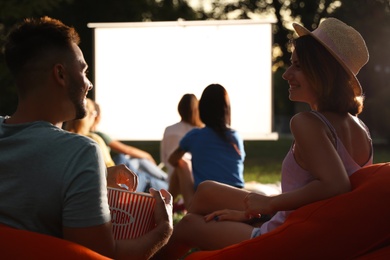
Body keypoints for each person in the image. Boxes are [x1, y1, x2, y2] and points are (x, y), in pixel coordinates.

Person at [153, 17, 373, 259]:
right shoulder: (360, 128)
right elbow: (322, 196)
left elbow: (336, 186)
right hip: (309, 228)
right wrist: (259, 213)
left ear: (322, 72)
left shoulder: (308, 122)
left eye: (297, 66)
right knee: (205, 191)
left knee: (189, 225)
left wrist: (270, 205)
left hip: (289, 239)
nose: (286, 74)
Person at [0, 16, 173, 259]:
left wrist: (95, 179)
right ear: (60, 75)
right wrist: (163, 232)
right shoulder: (81, 152)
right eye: (83, 70)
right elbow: (98, 256)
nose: (89, 84)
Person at [168, 84, 246, 208]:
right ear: (227, 110)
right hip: (237, 202)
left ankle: (167, 205)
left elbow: (172, 160)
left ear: (201, 109)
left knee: (182, 163)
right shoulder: (235, 137)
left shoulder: (194, 136)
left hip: (206, 204)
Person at [90, 100, 169, 192]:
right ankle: (168, 180)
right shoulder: (97, 135)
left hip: (108, 171)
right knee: (135, 163)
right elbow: (127, 150)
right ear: (97, 117)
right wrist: (148, 156)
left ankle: (167, 179)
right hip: (112, 170)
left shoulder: (79, 138)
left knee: (139, 162)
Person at [160, 93, 203, 200]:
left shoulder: (168, 130)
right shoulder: (198, 132)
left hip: (171, 180)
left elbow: (164, 159)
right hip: (191, 181)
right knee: (182, 163)